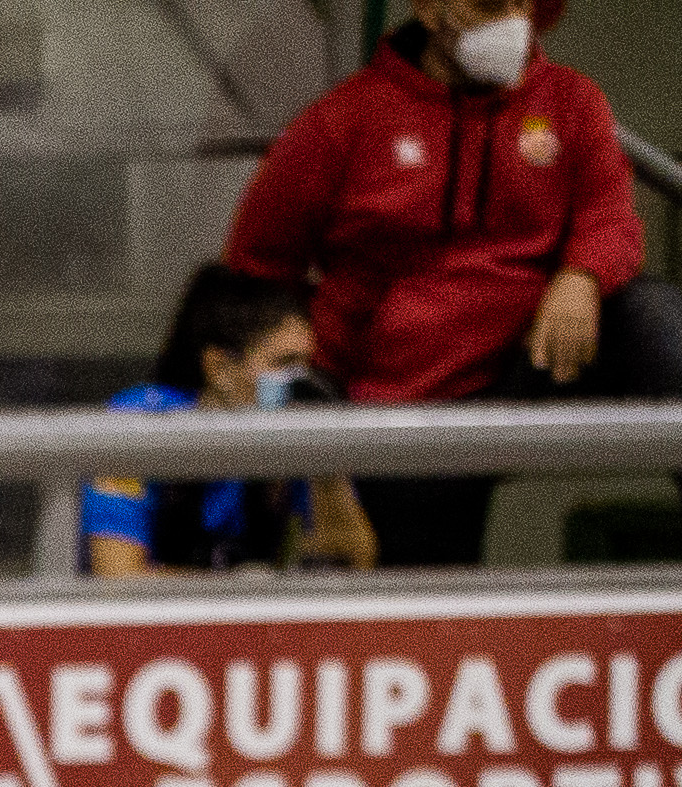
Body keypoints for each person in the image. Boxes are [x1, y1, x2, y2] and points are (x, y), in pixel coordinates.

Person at [221, 0, 682, 571]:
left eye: (525, 3)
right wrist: (295, 368)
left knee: (653, 316)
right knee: (421, 612)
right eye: (491, 4)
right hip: (397, 399)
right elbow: (255, 266)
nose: (514, 18)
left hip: (534, 360)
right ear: (432, 11)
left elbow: (611, 219)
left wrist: (581, 275)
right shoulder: (341, 123)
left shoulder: (571, 103)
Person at [86, 262, 381, 576]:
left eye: (306, 364)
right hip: (155, 624)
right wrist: (239, 589)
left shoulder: (302, 430)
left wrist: (327, 469)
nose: (300, 380)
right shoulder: (138, 422)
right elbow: (119, 576)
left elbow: (355, 567)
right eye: (283, 362)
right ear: (219, 368)